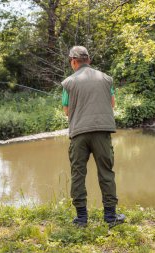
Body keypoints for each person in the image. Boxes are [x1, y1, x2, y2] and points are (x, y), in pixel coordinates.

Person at [61, 46, 125, 228]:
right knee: (106, 172)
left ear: (73, 61)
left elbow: (66, 112)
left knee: (78, 174)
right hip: (102, 131)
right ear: (88, 60)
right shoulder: (105, 79)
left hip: (79, 134)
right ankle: (111, 216)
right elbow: (112, 104)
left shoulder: (69, 83)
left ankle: (81, 218)